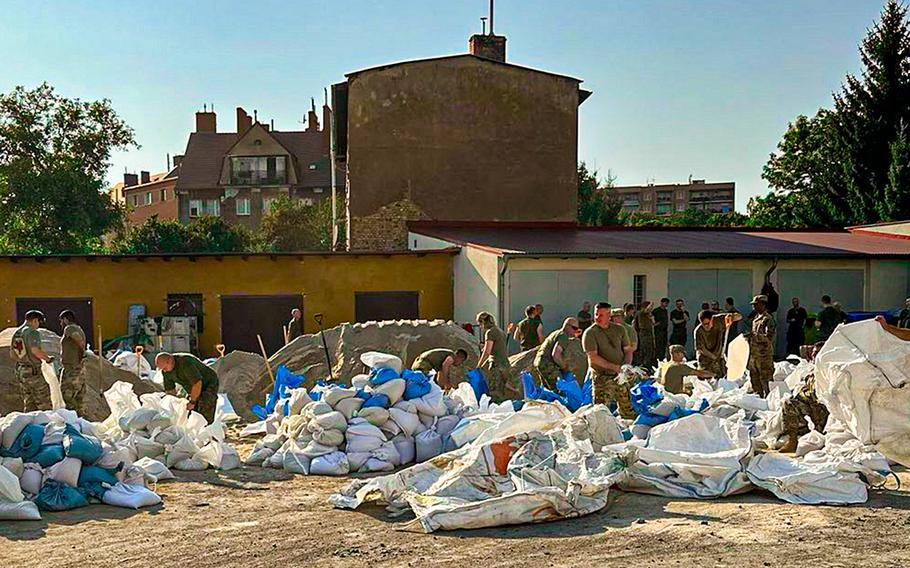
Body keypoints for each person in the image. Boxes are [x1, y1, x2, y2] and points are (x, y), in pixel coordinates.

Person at [582, 302, 633, 418]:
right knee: (600, 411)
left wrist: (626, 367)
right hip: (602, 377)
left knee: (627, 409)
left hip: (620, 376)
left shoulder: (619, 330)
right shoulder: (590, 333)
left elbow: (628, 350)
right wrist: (615, 367)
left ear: (609, 315)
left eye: (601, 315)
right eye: (596, 314)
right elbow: (593, 357)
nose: (597, 318)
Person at [780, 342, 829, 453]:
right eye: (813, 353)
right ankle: (792, 441)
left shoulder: (831, 372)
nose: (813, 356)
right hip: (813, 408)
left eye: (817, 353)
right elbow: (807, 392)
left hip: (827, 411)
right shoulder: (812, 373)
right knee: (789, 403)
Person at [155, 352, 220, 423]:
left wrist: (192, 402)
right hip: (191, 385)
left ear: (170, 361)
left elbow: (197, 383)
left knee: (205, 404)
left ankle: (208, 428)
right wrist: (172, 406)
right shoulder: (166, 372)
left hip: (208, 382)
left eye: (165, 368)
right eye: (162, 369)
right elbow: (170, 391)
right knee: (189, 411)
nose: (164, 370)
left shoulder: (185, 363)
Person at [10, 310, 54, 411]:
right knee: (44, 401)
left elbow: (13, 353)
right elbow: (35, 350)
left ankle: (30, 424)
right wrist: (48, 359)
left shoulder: (17, 332)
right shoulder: (32, 332)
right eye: (38, 322)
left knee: (29, 402)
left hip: (21, 369)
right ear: (35, 320)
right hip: (32, 371)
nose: (38, 325)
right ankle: (45, 425)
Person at [476, 312, 516, 402]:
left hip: (496, 365)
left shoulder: (490, 332)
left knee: (495, 392)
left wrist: (479, 365)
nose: (480, 326)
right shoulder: (499, 331)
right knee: (503, 390)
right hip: (505, 364)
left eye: (480, 323)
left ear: (483, 322)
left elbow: (487, 352)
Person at [532, 317, 579, 390]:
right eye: (574, 328)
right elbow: (556, 354)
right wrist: (564, 368)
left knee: (547, 390)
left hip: (540, 362)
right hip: (547, 364)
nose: (575, 331)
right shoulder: (564, 336)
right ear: (567, 326)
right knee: (559, 389)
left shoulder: (556, 333)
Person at [744, 295, 776, 398]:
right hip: (754, 354)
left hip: (764, 355)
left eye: (756, 305)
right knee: (754, 377)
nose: (754, 307)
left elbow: (768, 337)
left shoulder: (768, 319)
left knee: (766, 379)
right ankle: (758, 396)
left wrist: (754, 335)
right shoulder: (756, 319)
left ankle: (768, 398)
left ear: (763, 305)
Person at [694, 309, 741, 377]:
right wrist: (714, 357)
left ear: (712, 319)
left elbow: (739, 316)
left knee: (722, 376)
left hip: (719, 355)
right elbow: (701, 349)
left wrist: (732, 317)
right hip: (705, 358)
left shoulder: (719, 320)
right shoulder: (698, 331)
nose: (706, 326)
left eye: (707, 323)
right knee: (706, 378)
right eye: (703, 324)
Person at [58, 310, 87, 413]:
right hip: (78, 367)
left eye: (61, 320)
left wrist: (83, 351)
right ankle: (80, 420)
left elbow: (78, 340)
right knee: (79, 398)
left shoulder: (69, 328)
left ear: (65, 319)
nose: (61, 323)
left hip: (72, 368)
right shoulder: (79, 328)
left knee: (67, 396)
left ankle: (73, 419)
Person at [633, 301, 657, 370]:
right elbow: (647, 310)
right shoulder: (641, 313)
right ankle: (645, 366)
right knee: (646, 350)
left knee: (650, 351)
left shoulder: (648, 315)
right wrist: (652, 304)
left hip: (649, 333)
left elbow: (653, 323)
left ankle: (648, 365)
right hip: (644, 333)